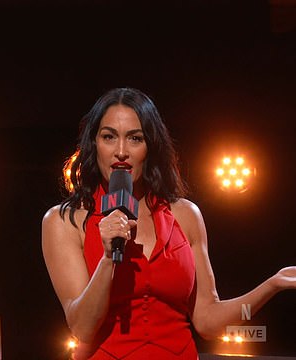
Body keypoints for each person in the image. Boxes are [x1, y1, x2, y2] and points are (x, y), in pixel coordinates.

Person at [41, 87, 296, 359]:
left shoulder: (185, 215)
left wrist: (273, 284)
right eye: (108, 137)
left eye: (135, 138)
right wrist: (107, 258)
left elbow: (208, 321)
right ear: (94, 144)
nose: (121, 151)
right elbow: (82, 327)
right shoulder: (64, 221)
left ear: (151, 147)